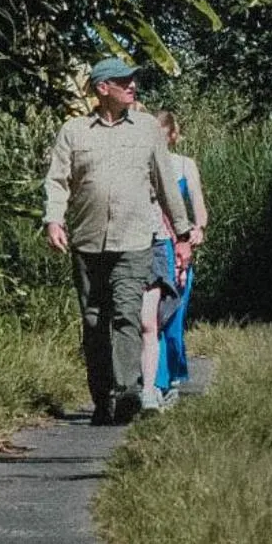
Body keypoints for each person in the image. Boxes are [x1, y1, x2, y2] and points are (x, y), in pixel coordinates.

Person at [43, 58, 192, 426]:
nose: (132, 86)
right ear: (102, 89)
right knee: (94, 320)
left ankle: (128, 391)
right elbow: (58, 181)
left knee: (127, 312)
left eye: (133, 80)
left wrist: (183, 234)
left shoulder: (146, 130)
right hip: (88, 240)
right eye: (123, 81)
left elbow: (165, 185)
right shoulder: (74, 132)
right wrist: (53, 220)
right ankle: (102, 397)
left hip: (134, 240)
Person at [151, 110, 207, 402]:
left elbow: (197, 202)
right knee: (152, 317)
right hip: (152, 242)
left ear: (172, 136)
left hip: (179, 247)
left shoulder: (185, 165)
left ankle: (172, 375)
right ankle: (155, 382)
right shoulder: (142, 166)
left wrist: (198, 228)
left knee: (174, 316)